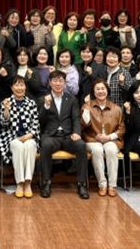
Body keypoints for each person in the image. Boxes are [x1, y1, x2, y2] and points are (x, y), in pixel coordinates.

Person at [38, 70, 89, 199]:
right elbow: (40, 122)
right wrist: (46, 106)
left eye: (60, 81)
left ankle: (82, 184)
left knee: (81, 145)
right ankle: (46, 182)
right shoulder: (43, 99)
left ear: (65, 83)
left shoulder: (71, 99)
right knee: (46, 145)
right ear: (50, 83)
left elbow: (76, 118)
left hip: (67, 136)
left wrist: (76, 132)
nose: (58, 83)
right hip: (51, 136)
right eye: (55, 81)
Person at [81, 79, 125, 197]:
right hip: (92, 138)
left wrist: (109, 137)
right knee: (97, 150)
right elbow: (83, 125)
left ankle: (112, 185)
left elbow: (122, 129)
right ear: (93, 92)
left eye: (103, 89)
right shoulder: (87, 106)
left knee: (111, 150)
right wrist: (86, 108)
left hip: (111, 139)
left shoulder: (116, 108)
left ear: (107, 90)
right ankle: (102, 184)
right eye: (97, 89)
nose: (100, 91)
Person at [0, 76, 40, 198]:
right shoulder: (6, 102)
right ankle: (20, 183)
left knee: (30, 145)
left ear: (25, 87)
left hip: (29, 136)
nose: (19, 88)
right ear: (12, 88)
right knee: (18, 146)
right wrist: (7, 109)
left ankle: (28, 183)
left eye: (22, 85)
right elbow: (4, 124)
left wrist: (29, 135)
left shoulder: (31, 103)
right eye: (16, 85)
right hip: (11, 137)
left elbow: (36, 123)